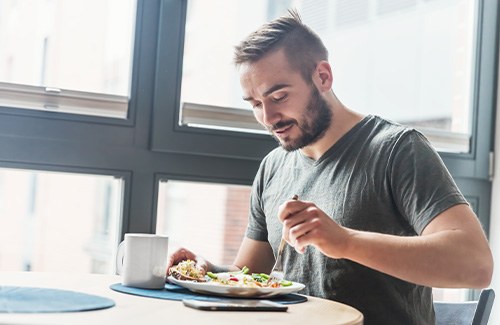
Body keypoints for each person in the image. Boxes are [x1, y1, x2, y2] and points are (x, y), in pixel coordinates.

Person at [167, 10, 493, 324]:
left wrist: (345, 242)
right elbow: (250, 276)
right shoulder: (273, 167)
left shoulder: (398, 149)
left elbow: (475, 265)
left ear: (322, 77)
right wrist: (205, 270)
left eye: (278, 96)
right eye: (255, 104)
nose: (267, 118)